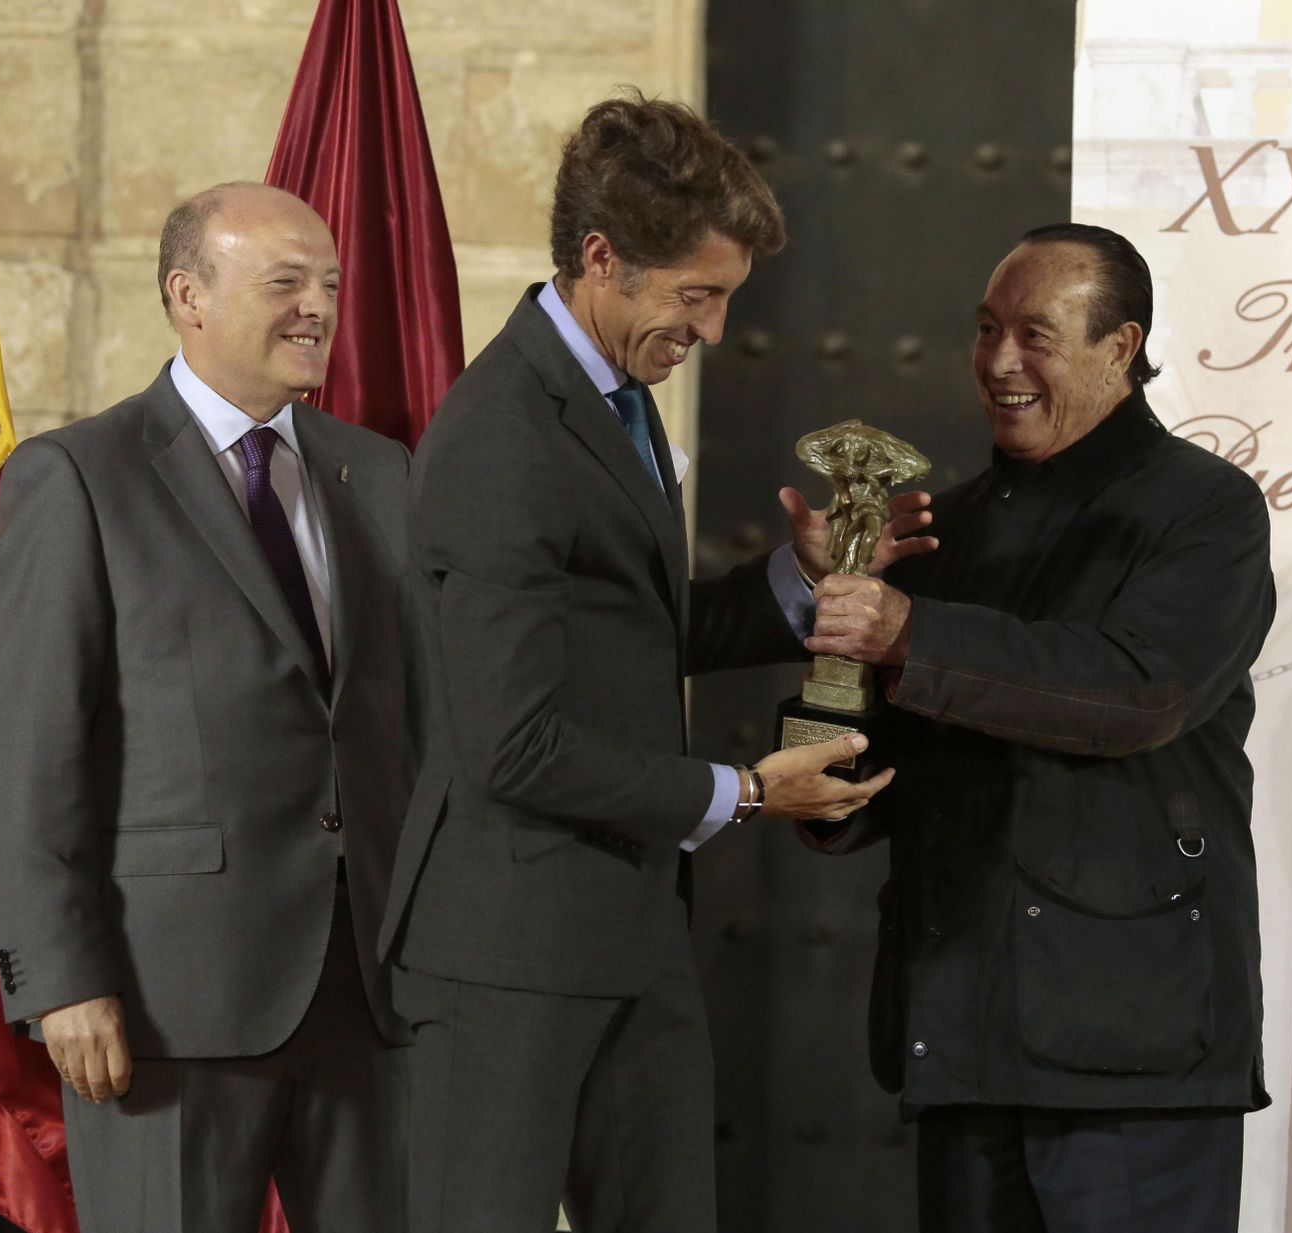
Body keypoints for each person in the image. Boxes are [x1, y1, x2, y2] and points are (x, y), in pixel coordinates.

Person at [378, 91, 928, 1233]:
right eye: (698, 297)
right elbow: (510, 742)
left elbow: (629, 627)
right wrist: (739, 794)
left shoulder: (607, 396)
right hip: (504, 963)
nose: (715, 331)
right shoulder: (501, 435)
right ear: (601, 260)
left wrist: (796, 581)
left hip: (628, 938)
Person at [804, 222, 1276, 1233]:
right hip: (964, 1038)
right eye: (984, 330)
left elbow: (1136, 695)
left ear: (1120, 345)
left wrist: (908, 631)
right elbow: (889, 758)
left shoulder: (1206, 510)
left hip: (1132, 1059)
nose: (1000, 362)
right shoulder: (943, 529)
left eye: (1034, 334)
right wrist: (825, 733)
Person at [0, 182, 415, 1233]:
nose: (318, 306)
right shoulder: (77, 476)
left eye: (330, 284)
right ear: (189, 296)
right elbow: (30, 753)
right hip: (164, 1002)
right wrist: (63, 978)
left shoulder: (381, 473)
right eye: (286, 282)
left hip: (371, 994)